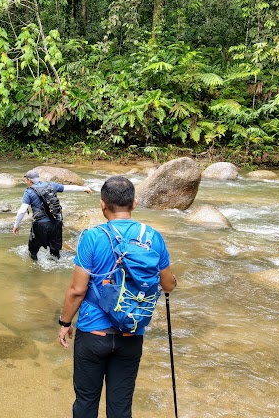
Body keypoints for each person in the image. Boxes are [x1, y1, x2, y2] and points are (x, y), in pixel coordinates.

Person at [57, 176, 177, 418]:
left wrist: (65, 323)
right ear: (134, 203)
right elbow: (167, 285)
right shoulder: (152, 236)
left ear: (102, 205)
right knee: (121, 406)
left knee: (86, 401)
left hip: (93, 333)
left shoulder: (92, 236)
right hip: (131, 333)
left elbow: (77, 290)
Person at [12, 169, 92, 260]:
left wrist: (16, 225)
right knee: (55, 253)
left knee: (33, 251)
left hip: (40, 225)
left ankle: (36, 270)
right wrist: (84, 188)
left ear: (29, 180)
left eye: (26, 180)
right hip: (56, 223)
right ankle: (55, 269)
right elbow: (68, 188)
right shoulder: (51, 185)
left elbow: (22, 211)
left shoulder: (29, 192)